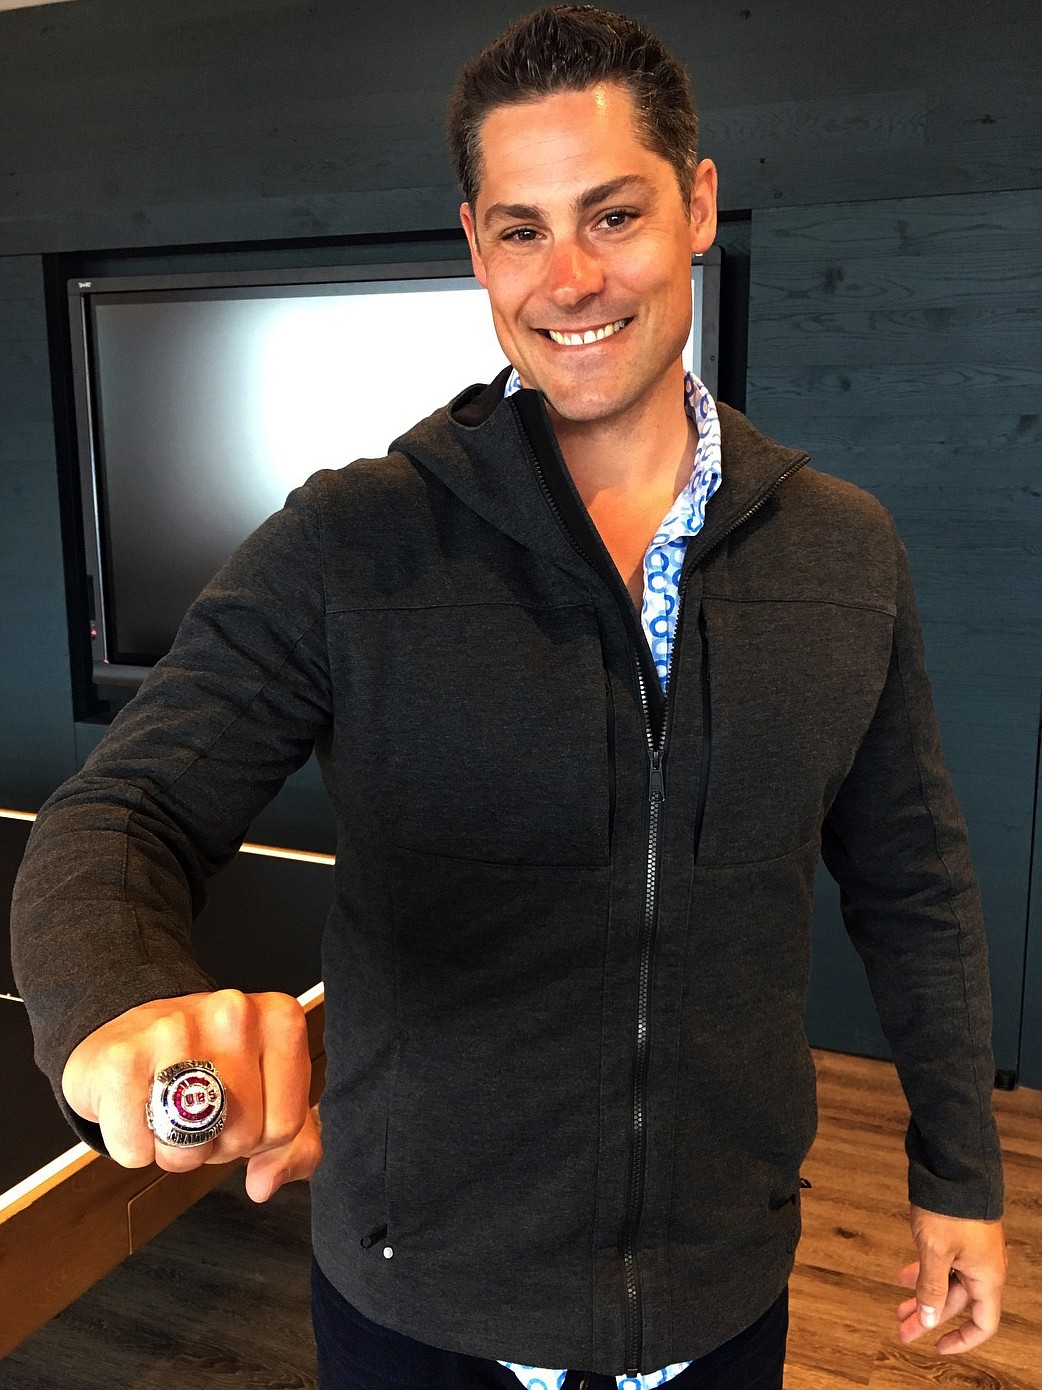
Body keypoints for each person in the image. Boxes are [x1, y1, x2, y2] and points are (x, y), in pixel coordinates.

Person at [11, 6, 1007, 1388]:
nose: (571, 276)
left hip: (721, 1294)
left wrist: (958, 1170)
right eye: (522, 228)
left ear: (697, 205)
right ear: (476, 244)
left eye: (612, 213)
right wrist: (114, 1000)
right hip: (419, 1312)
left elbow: (917, 882)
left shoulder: (843, 552)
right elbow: (125, 809)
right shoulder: (348, 542)